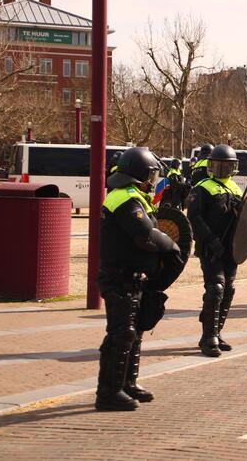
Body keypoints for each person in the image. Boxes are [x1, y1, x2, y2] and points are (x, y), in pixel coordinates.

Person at [96, 147, 181, 411]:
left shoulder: (133, 196)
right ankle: (109, 392)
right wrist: (169, 244)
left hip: (133, 277)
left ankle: (127, 383)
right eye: (152, 175)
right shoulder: (125, 199)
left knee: (135, 332)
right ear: (142, 174)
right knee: (121, 334)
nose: (153, 180)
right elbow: (145, 234)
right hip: (119, 277)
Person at [187, 144, 243, 357]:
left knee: (229, 288)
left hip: (231, 249)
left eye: (226, 166)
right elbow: (194, 216)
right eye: (218, 165)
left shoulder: (236, 189)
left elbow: (245, 222)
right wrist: (210, 240)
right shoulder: (202, 187)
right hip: (211, 248)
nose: (222, 170)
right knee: (216, 288)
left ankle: (216, 332)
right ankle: (208, 338)